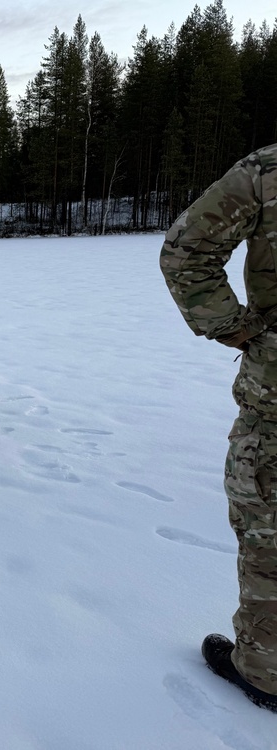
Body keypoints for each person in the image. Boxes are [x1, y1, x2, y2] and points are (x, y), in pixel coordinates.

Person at [160, 142, 277, 713]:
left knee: (269, 527)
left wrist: (237, 328)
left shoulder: (269, 170)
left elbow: (187, 252)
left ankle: (266, 669)